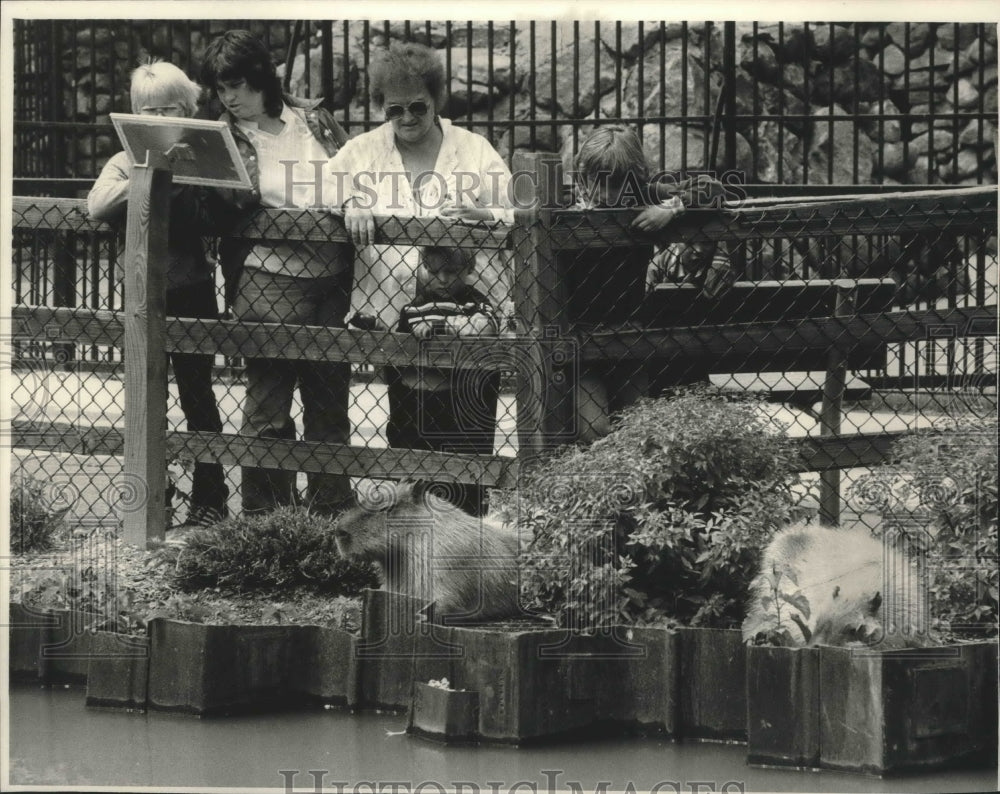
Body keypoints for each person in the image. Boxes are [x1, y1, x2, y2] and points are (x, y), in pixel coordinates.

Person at [329, 40, 514, 513]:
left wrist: (485, 212)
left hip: (472, 323)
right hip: (401, 323)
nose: (408, 117)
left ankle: (468, 529)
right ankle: (415, 537)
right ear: (381, 107)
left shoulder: (473, 150)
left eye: (418, 106)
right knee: (409, 434)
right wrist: (349, 202)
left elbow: (518, 212)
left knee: (469, 435)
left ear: (436, 100)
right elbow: (316, 188)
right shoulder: (362, 151)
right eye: (395, 109)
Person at [200, 29, 352, 517]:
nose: (229, 97)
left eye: (237, 85)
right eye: (221, 88)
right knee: (269, 407)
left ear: (261, 78)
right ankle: (268, 521)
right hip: (268, 278)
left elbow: (355, 173)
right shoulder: (221, 136)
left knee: (328, 401)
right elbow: (221, 213)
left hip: (332, 278)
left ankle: (333, 512)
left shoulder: (315, 120)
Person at [87, 59, 230, 528]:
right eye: (148, 111)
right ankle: (153, 498)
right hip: (141, 297)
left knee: (198, 396)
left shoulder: (198, 159)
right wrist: (148, 175)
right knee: (145, 398)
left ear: (188, 110)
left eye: (169, 109)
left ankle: (210, 499)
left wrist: (185, 171)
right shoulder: (123, 161)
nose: (159, 120)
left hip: (191, 292)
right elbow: (98, 204)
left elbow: (227, 202)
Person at [565, 125, 688, 442]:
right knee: (594, 430)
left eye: (617, 184)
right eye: (598, 184)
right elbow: (521, 213)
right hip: (581, 340)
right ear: (584, 175)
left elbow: (716, 189)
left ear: (636, 176)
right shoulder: (567, 204)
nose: (606, 195)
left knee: (640, 429)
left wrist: (671, 207)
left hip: (630, 335)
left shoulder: (645, 195)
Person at [385, 246, 501, 517]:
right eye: (434, 271)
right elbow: (398, 350)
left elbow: (485, 328)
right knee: (415, 477)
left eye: (451, 272)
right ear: (423, 267)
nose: (443, 280)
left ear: (469, 269)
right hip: (416, 404)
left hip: (457, 405)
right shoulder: (415, 307)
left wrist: (442, 327)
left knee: (460, 479)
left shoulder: (474, 302)